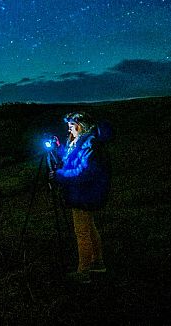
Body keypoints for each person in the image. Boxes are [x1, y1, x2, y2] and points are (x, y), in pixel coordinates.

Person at [51, 112, 111, 284]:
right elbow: (72, 160)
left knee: (81, 232)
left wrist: (60, 175)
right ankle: (98, 263)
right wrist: (58, 147)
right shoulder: (81, 142)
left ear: (81, 125)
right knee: (89, 228)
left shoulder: (89, 144)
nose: (69, 127)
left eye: (72, 124)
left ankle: (83, 271)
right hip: (84, 193)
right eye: (69, 124)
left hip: (83, 194)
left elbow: (83, 171)